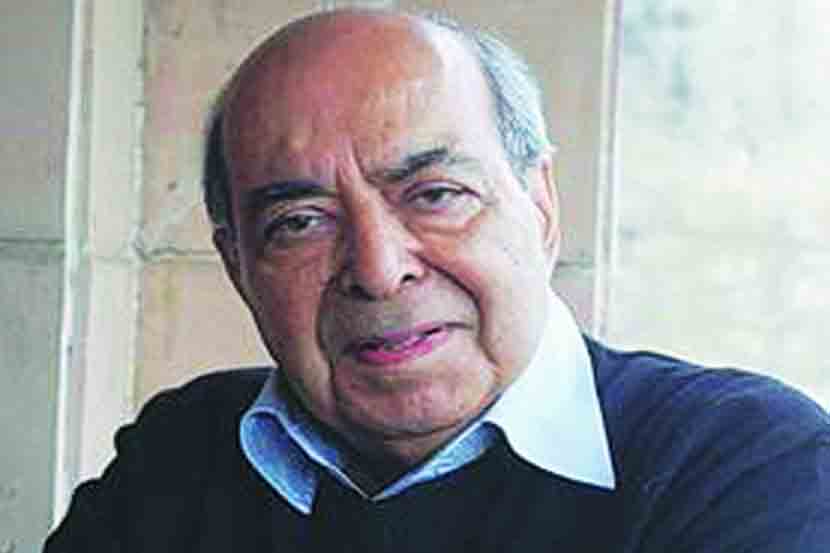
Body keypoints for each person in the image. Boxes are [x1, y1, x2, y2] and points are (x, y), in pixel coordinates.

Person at [45, 7, 829, 552]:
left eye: (435, 194)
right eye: (300, 221)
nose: (379, 270)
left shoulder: (744, 464)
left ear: (540, 206)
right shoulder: (181, 457)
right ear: (239, 266)